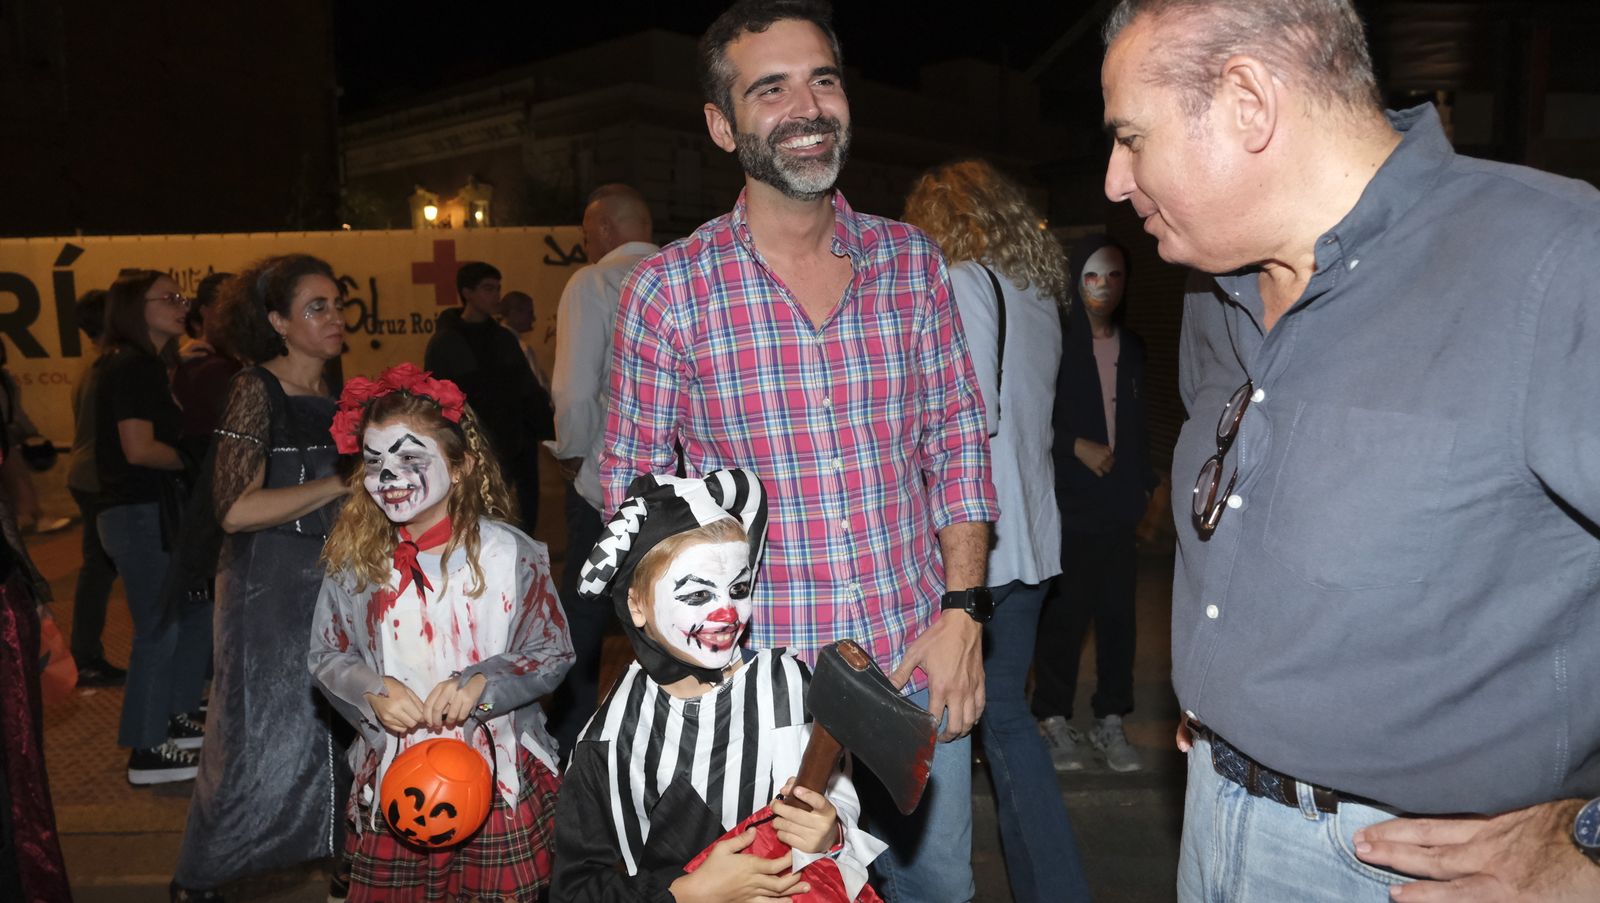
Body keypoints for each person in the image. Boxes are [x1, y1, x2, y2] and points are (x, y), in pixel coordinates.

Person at [1098, 1, 1600, 900]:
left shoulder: (1556, 262)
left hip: (1412, 870)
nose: (1112, 180)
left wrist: (1592, 846)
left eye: (1132, 137)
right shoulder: (1218, 294)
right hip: (1211, 815)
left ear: (1249, 102)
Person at [602, 3, 997, 899]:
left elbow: (958, 444)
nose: (808, 106)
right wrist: (691, 685)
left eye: (823, 79)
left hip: (918, 664)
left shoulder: (911, 263)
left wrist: (965, 612)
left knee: (938, 891)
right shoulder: (671, 292)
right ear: (720, 125)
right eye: (770, 88)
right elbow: (629, 501)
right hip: (764, 702)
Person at [551, 469, 885, 901]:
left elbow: (837, 793)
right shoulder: (608, 742)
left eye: (738, 588)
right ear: (636, 604)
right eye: (696, 595)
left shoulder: (788, 689)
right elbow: (575, 889)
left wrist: (830, 829)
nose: (728, 614)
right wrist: (685, 893)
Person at [310, 363, 572, 901]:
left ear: (460, 467)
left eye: (410, 458)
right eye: (375, 460)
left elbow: (552, 650)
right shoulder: (356, 561)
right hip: (397, 779)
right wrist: (371, 689)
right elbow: (326, 654)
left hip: (499, 779)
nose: (389, 476)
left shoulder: (510, 555)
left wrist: (483, 683)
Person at [902, 160, 1092, 903]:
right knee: (1005, 719)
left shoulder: (961, 281)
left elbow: (963, 419)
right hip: (1031, 537)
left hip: (978, 542)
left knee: (958, 723)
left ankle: (936, 882)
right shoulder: (1038, 293)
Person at [169, 257, 353, 902]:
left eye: (336, 304)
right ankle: (206, 879)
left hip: (337, 582)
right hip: (269, 587)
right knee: (262, 738)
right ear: (276, 322)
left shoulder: (337, 390)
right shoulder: (256, 388)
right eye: (316, 307)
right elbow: (235, 508)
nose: (334, 317)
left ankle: (344, 870)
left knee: (342, 732)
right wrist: (340, 482)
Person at [1034, 236, 1157, 775]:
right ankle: (1053, 717)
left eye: (1113, 276)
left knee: (1118, 619)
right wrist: (1074, 445)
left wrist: (1146, 484)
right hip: (1070, 505)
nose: (1103, 287)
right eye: (1092, 275)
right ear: (1075, 282)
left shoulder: (1133, 349)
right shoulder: (1054, 345)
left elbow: (1139, 424)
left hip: (1118, 507)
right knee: (1065, 616)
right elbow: (1029, 417)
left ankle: (1111, 718)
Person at [546, 182, 659, 761]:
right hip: (681, 484)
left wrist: (571, 454)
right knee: (667, 613)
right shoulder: (682, 273)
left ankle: (573, 746)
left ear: (608, 229)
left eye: (588, 233)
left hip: (606, 484)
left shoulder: (591, 282)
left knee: (584, 616)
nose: (586, 243)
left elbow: (575, 389)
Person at [95, 270, 211, 785]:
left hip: (155, 513)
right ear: (132, 309)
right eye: (168, 298)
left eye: (181, 297)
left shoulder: (152, 366)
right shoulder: (131, 367)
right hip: (138, 513)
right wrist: (191, 461)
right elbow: (138, 449)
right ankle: (146, 749)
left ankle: (177, 716)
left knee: (190, 616)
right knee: (159, 629)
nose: (180, 305)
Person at [424, 262, 552, 535]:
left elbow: (526, 389)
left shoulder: (504, 339)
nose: (495, 296)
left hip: (514, 447)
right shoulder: (446, 342)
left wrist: (548, 431)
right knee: (474, 521)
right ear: (467, 293)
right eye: (487, 288)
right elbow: (437, 400)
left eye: (497, 288)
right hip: (470, 450)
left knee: (520, 521)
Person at [67, 288, 126, 688]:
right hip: (97, 479)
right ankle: (84, 655)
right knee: (98, 570)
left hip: (85, 475)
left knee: (98, 568)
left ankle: (85, 653)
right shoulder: (111, 366)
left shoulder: (91, 367)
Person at [170, 271, 242, 464]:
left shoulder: (226, 362)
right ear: (204, 311)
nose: (236, 317)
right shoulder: (210, 367)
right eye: (227, 308)